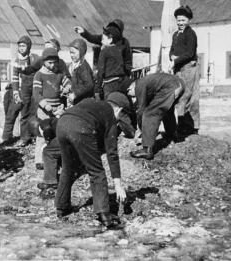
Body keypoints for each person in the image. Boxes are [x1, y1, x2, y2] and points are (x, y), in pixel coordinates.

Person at [54, 98, 127, 227]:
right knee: (97, 171)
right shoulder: (110, 114)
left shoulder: (92, 103)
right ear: (118, 109)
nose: (118, 120)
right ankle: (104, 214)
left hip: (62, 123)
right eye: (120, 116)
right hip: (81, 127)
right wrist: (118, 184)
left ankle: (61, 207)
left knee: (67, 168)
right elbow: (112, 153)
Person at [127, 73, 185, 160]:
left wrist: (140, 130)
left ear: (130, 88)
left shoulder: (138, 85)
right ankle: (171, 134)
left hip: (171, 87)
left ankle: (147, 149)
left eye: (132, 95)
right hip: (180, 84)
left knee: (150, 113)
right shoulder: (147, 82)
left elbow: (141, 111)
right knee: (167, 110)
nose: (134, 97)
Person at [32, 47, 71, 170]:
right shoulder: (39, 75)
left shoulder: (59, 73)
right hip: (44, 110)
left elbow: (68, 82)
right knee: (43, 134)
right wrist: (45, 104)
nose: (52, 65)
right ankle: (39, 159)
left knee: (56, 133)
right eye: (50, 62)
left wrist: (67, 88)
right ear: (44, 61)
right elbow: (36, 94)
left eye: (54, 62)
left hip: (57, 109)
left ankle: (54, 158)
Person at [170, 5, 199, 137]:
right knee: (179, 96)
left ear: (189, 20)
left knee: (188, 97)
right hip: (178, 69)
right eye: (178, 20)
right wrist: (171, 56)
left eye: (183, 20)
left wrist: (175, 60)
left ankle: (191, 127)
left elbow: (189, 53)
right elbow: (172, 50)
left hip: (188, 68)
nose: (180, 23)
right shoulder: (175, 34)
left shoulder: (191, 34)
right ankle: (182, 126)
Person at [9, 35, 40, 147]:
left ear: (29, 46)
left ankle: (35, 136)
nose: (21, 48)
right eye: (20, 46)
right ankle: (24, 137)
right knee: (24, 113)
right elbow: (15, 78)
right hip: (25, 88)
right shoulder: (16, 61)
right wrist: (16, 92)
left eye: (24, 46)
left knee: (35, 111)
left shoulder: (35, 58)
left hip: (36, 87)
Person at [95, 26, 127, 99]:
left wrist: (97, 89)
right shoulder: (119, 51)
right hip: (120, 83)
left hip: (109, 84)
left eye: (103, 39)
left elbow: (101, 71)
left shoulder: (104, 52)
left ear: (110, 39)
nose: (101, 41)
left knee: (109, 106)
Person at [67, 38, 94, 105]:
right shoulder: (78, 65)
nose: (71, 55)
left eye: (73, 53)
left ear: (81, 52)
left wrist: (75, 94)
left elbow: (89, 85)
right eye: (70, 52)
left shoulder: (83, 67)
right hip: (79, 100)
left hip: (84, 101)